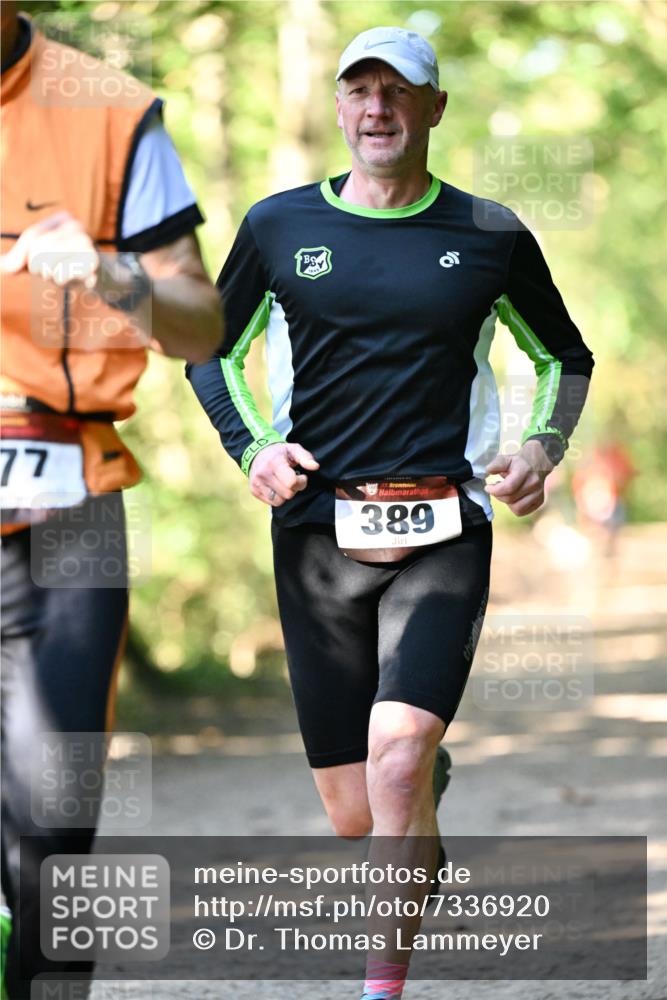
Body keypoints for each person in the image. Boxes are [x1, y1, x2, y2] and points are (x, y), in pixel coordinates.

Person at [188, 25, 593, 1000]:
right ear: (338, 107)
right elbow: (209, 348)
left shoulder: (487, 233)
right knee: (356, 812)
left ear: (433, 108)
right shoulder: (279, 225)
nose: (378, 108)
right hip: (317, 534)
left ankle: (382, 986)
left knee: (397, 750)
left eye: (398, 91)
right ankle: (419, 799)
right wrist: (254, 450)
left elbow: (561, 358)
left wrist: (541, 447)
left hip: (443, 526)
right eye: (360, 90)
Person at [0, 6, 222, 997]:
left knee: (52, 833)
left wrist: (112, 270)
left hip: (65, 510)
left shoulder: (110, 112)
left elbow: (201, 323)